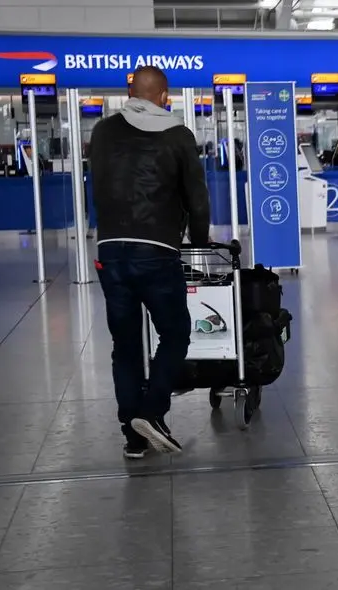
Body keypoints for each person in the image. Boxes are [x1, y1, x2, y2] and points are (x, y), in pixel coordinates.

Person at [89, 65, 210, 459]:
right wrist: (200, 241)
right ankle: (152, 412)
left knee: (124, 345)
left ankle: (134, 436)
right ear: (162, 96)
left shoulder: (103, 131)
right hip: (156, 250)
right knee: (175, 334)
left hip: (111, 250)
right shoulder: (177, 134)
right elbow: (197, 197)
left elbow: (100, 185)